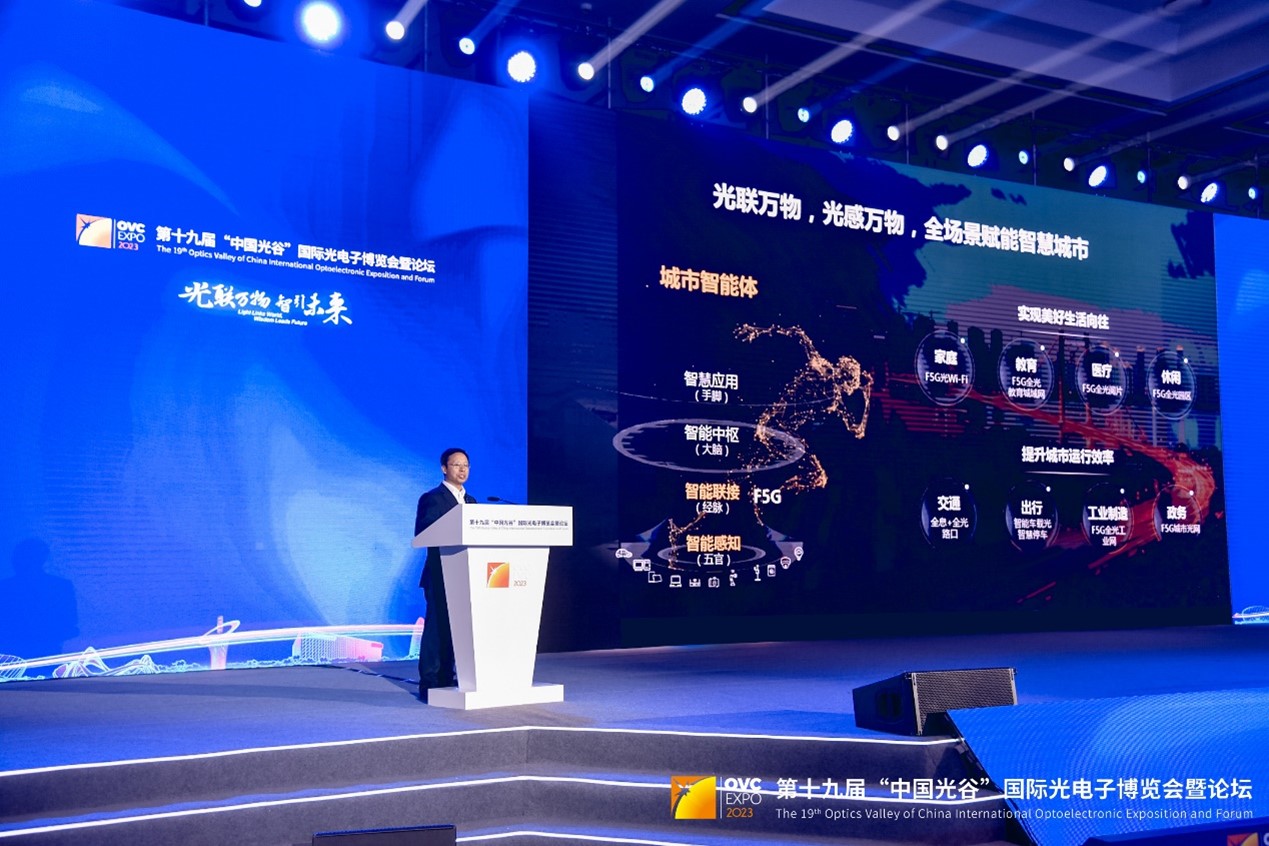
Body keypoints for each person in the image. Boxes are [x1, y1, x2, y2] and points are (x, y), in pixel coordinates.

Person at [414, 447, 475, 701]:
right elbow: (424, 531)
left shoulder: (471, 502)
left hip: (465, 575)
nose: (462, 470)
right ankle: (429, 681)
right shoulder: (432, 498)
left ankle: (448, 676)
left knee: (458, 628)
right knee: (437, 628)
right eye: (457, 465)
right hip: (440, 573)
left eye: (466, 465)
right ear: (444, 468)